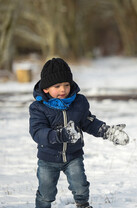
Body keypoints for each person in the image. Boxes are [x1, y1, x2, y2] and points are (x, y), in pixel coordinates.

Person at [29, 58, 129, 208]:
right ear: (45, 89)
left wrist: (107, 132)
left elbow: (89, 122)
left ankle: (83, 204)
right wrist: (59, 135)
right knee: (46, 192)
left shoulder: (79, 102)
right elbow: (37, 131)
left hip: (73, 156)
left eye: (66, 85)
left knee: (81, 186)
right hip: (48, 158)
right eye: (57, 86)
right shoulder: (39, 108)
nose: (63, 89)